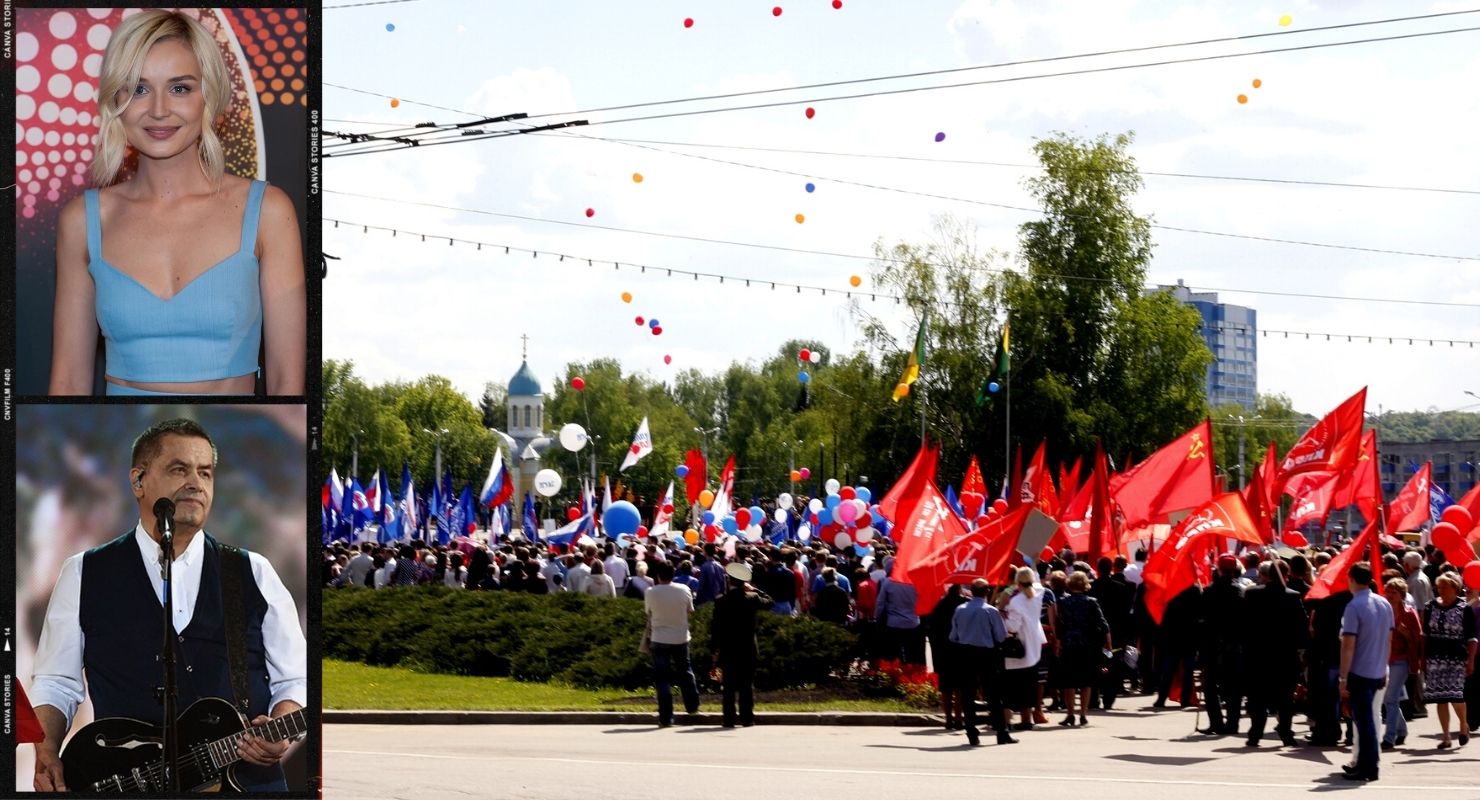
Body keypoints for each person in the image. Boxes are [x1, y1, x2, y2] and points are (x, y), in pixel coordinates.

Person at [30, 419, 306, 791]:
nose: (196, 483)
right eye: (179, 469)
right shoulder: (84, 572)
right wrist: (45, 751)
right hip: (124, 781)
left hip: (246, 782)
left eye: (205, 473)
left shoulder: (253, 571)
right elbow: (56, 683)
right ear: (138, 481)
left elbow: (297, 680)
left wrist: (283, 727)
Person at [49, 10, 304, 397]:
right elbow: (67, 384)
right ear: (115, 98)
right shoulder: (83, 221)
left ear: (209, 96)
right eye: (138, 88)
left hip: (236, 451)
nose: (158, 110)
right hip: (116, 451)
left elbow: (288, 386)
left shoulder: (268, 211)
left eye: (180, 88)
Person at [1241, 560, 1307, 747]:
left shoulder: (1253, 594)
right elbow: (1302, 627)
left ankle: (1255, 733)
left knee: (1257, 697)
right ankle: (1286, 733)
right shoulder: (1292, 597)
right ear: (1285, 575)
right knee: (1285, 698)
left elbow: (1243, 623)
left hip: (1258, 655)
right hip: (1284, 656)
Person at [1339, 562, 1393, 782]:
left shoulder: (1354, 607)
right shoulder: (1384, 604)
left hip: (1360, 671)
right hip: (1378, 669)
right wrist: (1383, 666)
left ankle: (1369, 767)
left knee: (1365, 723)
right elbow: (1388, 639)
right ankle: (1364, 763)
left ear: (1351, 579)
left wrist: (1343, 677)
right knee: (1367, 720)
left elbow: (1348, 644)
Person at [949, 579, 1017, 746]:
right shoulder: (990, 611)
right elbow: (1000, 636)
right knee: (994, 695)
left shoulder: (960, 609)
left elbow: (953, 636)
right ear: (987, 592)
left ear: (971, 591)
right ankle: (1002, 732)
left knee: (968, 695)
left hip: (965, 653)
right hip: (987, 654)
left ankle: (971, 732)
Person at [710, 561, 774, 728]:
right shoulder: (752, 598)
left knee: (729, 686)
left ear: (730, 581)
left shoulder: (721, 601)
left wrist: (714, 649)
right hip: (747, 647)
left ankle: (728, 718)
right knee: (746, 685)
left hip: (728, 647)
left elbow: (715, 628)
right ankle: (747, 718)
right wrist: (754, 589)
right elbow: (770, 601)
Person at [1422, 572, 1477, 748]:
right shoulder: (1430, 606)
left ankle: (1463, 724)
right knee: (1440, 698)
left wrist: (1471, 660)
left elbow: (1472, 638)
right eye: (1439, 587)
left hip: (1456, 659)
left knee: (1455, 696)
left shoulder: (1464, 608)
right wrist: (1422, 658)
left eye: (1445, 586)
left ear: (1456, 588)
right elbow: (1425, 635)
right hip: (1435, 658)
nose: (1442, 590)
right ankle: (1446, 737)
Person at [645, 560, 700, 727]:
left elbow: (648, 611)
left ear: (658, 575)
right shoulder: (684, 590)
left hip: (659, 637)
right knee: (685, 671)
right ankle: (692, 705)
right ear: (673, 575)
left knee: (662, 678)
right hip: (680, 637)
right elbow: (689, 610)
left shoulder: (651, 592)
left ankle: (666, 716)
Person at [1052, 571, 1111, 727]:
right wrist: (1108, 644)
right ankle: (1083, 714)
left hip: (1069, 644)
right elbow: (1103, 625)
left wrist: (1058, 644)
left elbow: (1060, 626)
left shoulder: (1063, 602)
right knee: (1086, 681)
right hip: (1088, 645)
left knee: (1069, 682)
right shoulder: (1092, 602)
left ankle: (1070, 714)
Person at [1198, 554, 1247, 736]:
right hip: (1234, 646)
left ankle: (1216, 722)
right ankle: (1232, 723)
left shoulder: (1209, 592)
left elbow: (1201, 620)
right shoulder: (1241, 592)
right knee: (1234, 687)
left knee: (1211, 687)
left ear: (1218, 569)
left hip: (1213, 645)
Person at [1001, 567, 1048, 730]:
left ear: (1017, 582)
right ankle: (1027, 718)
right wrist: (1033, 565)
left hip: (1020, 646)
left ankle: (1009, 720)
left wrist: (1002, 614)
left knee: (1014, 685)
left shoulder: (1016, 601)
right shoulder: (1037, 595)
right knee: (1029, 685)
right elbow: (1039, 585)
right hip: (1035, 644)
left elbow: (1013, 627)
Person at [1383, 577, 1423, 749]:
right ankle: (1402, 730)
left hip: (1401, 660)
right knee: (1388, 699)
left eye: (1394, 592)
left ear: (1401, 595)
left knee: (1391, 698)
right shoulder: (1382, 611)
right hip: (1384, 659)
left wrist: (1406, 634)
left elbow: (1418, 638)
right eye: (1388, 591)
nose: (1390, 595)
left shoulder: (1408, 613)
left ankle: (1389, 737)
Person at [926, 584, 970, 731]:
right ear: (959, 590)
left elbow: (932, 630)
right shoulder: (965, 604)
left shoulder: (939, 605)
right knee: (959, 687)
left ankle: (948, 719)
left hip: (942, 651)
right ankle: (959, 718)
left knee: (946, 687)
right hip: (960, 650)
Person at [875, 562, 925, 665]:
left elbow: (880, 604)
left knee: (894, 657)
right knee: (911, 657)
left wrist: (878, 619)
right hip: (913, 623)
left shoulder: (888, 582)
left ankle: (895, 677)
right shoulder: (915, 581)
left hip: (893, 624)